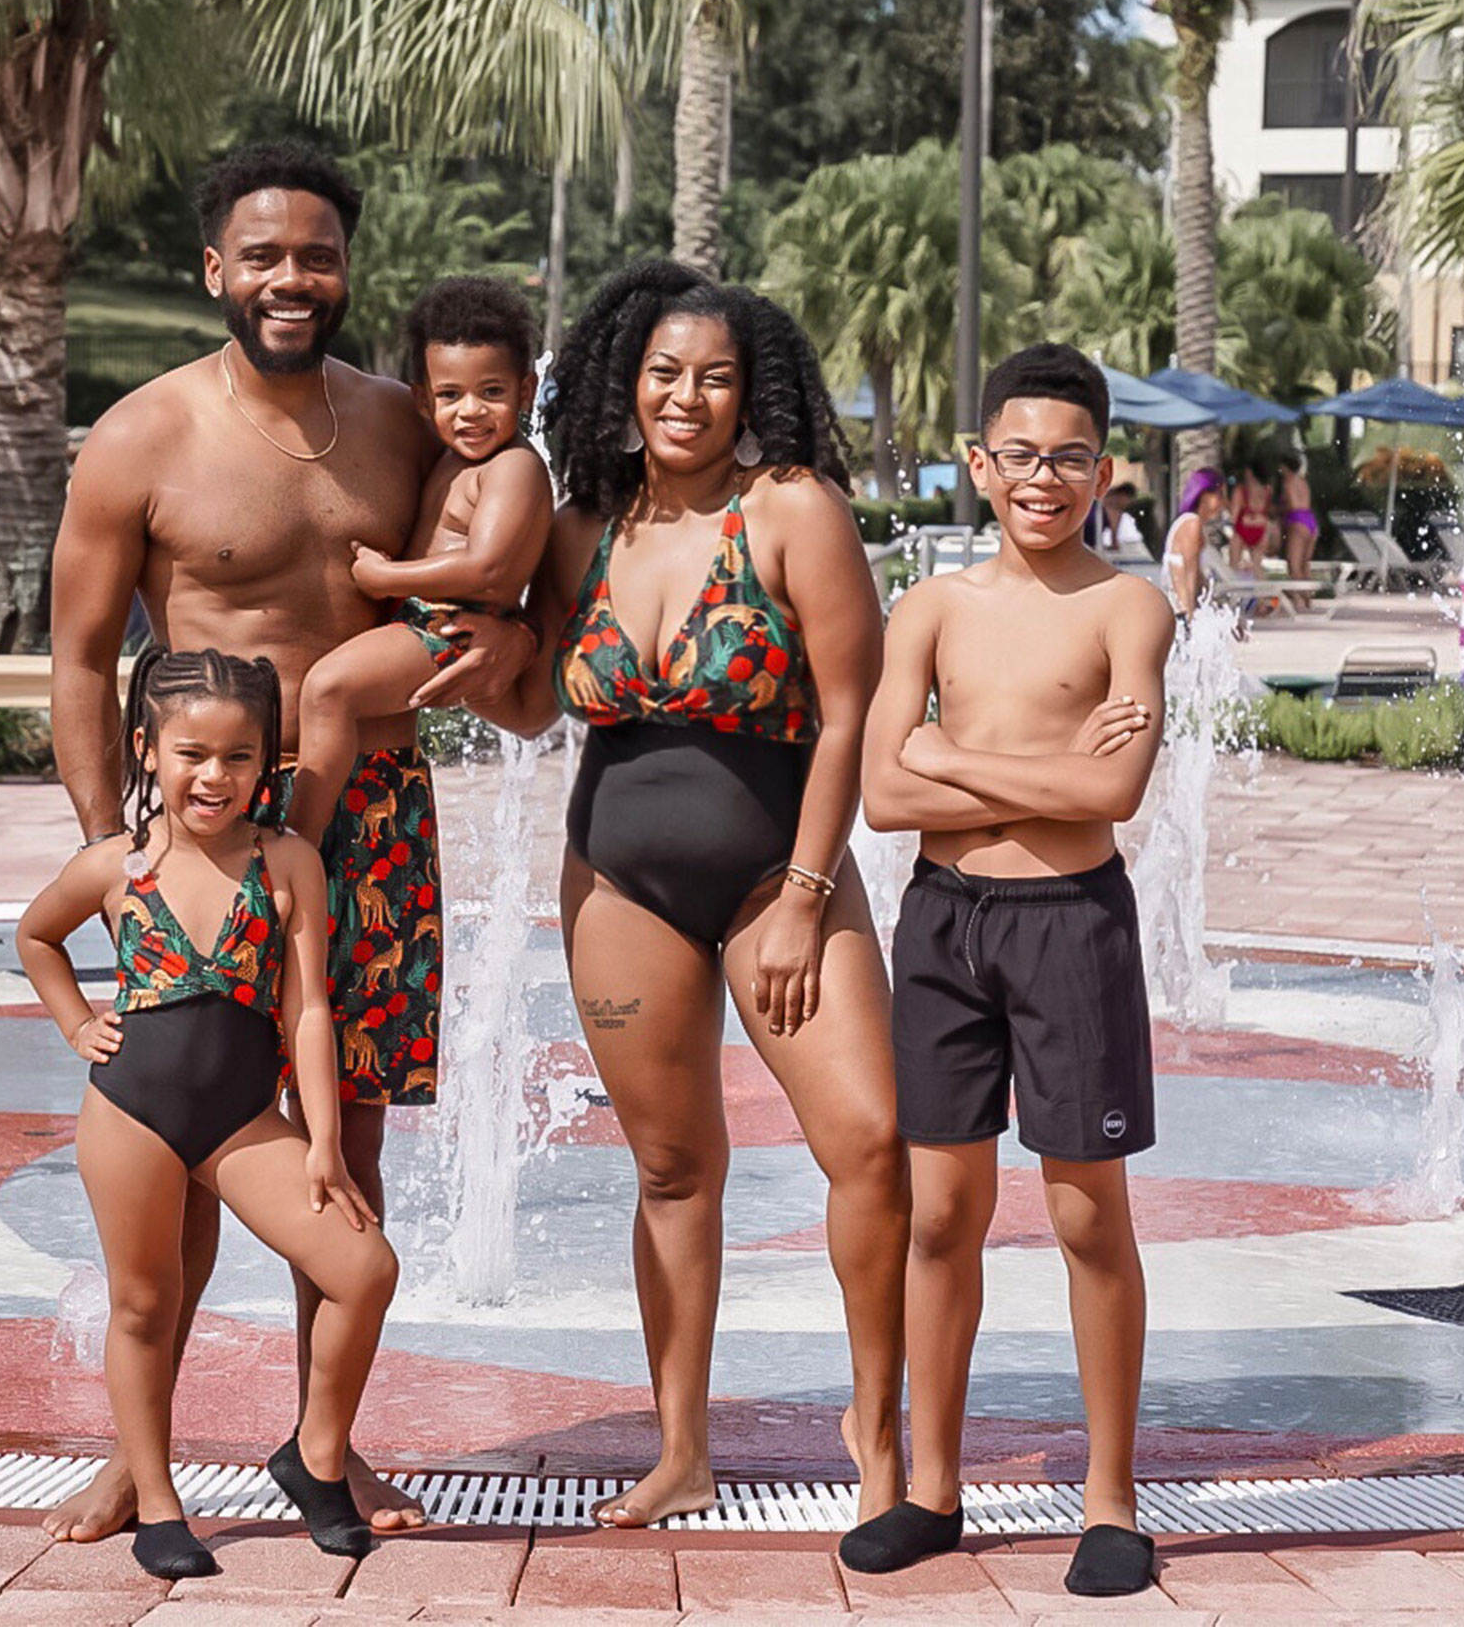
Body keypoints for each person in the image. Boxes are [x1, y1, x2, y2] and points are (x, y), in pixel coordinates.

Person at [45, 140, 530, 1543]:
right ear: (215, 271)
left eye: (316, 254)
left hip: (375, 821)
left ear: (346, 267)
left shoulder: (403, 426)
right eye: (261, 255)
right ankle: (146, 1460)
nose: (290, 279)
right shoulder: (143, 434)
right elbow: (78, 660)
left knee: (342, 1142)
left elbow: (492, 588)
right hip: (203, 843)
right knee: (182, 1135)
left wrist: (498, 638)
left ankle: (327, 1445)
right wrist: (116, 851)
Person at [486, 260, 911, 1531]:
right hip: (619, 882)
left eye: (714, 377)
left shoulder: (791, 512)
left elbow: (850, 719)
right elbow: (533, 701)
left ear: (750, 393)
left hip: (778, 877)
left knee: (872, 1147)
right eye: (665, 373)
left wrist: (800, 894)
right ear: (625, 383)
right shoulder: (581, 530)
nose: (687, 396)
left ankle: (876, 1431)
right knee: (672, 1172)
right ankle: (683, 1446)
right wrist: (465, 666)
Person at [859, 344, 1169, 1596]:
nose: (1046, 479)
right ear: (982, 464)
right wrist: (942, 768)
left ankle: (1110, 1499)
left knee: (1087, 1216)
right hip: (943, 922)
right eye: (1022, 455)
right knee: (940, 1213)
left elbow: (1115, 793)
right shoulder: (931, 606)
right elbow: (883, 796)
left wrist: (955, 759)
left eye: (1072, 458)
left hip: (1069, 926)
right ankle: (933, 1484)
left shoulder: (1125, 608)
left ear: (1104, 469)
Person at [15, 649, 397, 1581]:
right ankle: (155, 1501)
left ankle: (313, 1457)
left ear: (266, 763)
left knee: (363, 1266)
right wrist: (75, 1024)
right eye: (192, 754)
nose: (213, 777)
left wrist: (321, 1147)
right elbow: (36, 935)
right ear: (147, 749)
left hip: (241, 1121)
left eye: (238, 757)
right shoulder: (116, 864)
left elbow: (310, 1007)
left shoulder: (289, 860)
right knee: (145, 1305)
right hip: (131, 1117)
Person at [290, 277, 552, 839]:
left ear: (526, 391)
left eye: (492, 392)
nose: (471, 412)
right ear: (422, 399)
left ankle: (299, 839)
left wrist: (386, 576)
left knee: (327, 689)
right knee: (352, 709)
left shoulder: (513, 467)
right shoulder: (454, 459)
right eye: (451, 396)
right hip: (426, 622)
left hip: (449, 626)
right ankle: (329, 826)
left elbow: (487, 566)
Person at [1165, 469, 1226, 619]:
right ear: (1204, 494)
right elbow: (1187, 572)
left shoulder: (1192, 523)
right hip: (1181, 608)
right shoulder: (1192, 523)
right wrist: (1189, 616)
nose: (1223, 502)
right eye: (1220, 495)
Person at [1278, 454, 1319, 583]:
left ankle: (1298, 599)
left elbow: (1290, 504)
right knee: (1305, 563)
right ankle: (1307, 599)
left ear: (1285, 467)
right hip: (1310, 519)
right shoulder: (1303, 481)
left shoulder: (1288, 481)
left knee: (1294, 566)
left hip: (1297, 520)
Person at [1227, 461, 1274, 571]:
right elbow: (1269, 511)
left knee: (1233, 567)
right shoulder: (1267, 491)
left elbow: (1233, 517)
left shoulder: (1240, 491)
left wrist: (1226, 503)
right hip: (1261, 530)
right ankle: (1262, 588)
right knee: (1257, 568)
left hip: (1242, 531)